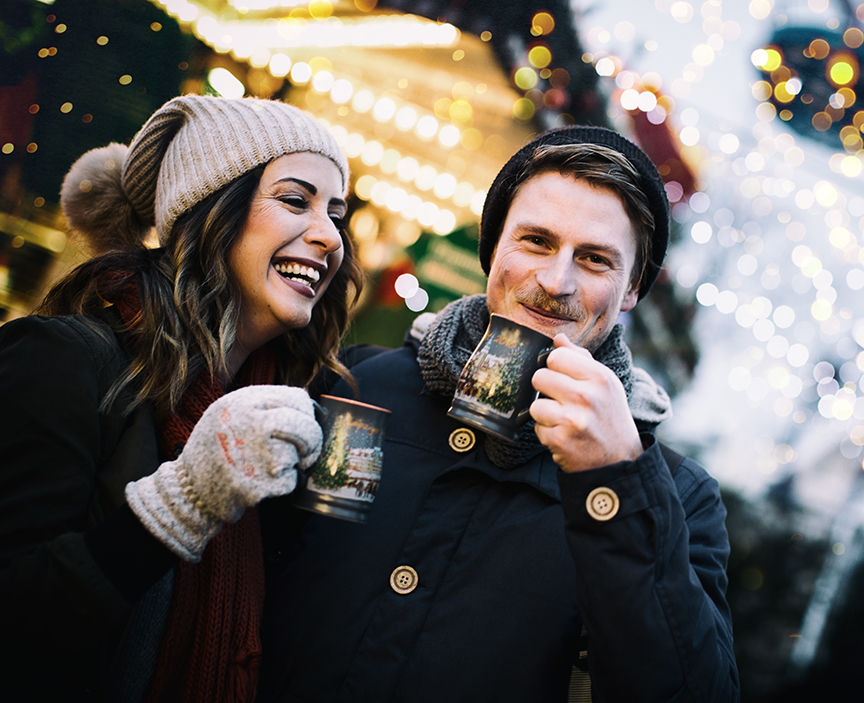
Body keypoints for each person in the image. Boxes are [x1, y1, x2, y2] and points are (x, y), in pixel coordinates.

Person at [259, 126, 740, 701]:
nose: (555, 281)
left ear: (632, 288)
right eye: (536, 241)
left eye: (593, 259)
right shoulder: (365, 390)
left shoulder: (677, 497)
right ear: (493, 249)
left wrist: (614, 478)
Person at [0, 94, 361, 702]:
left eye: (338, 213)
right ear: (210, 211)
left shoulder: (287, 414)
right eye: (296, 201)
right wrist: (179, 507)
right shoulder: (61, 359)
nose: (329, 236)